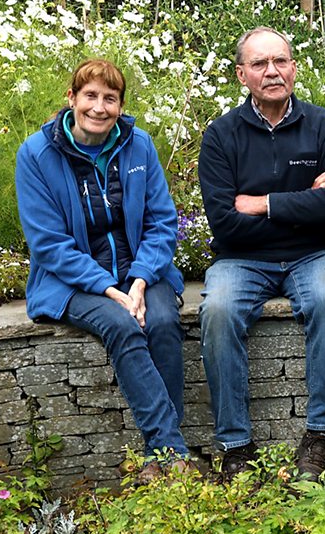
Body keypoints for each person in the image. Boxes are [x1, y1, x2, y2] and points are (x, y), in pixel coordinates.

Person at [15, 58, 193, 484]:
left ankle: (160, 459)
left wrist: (140, 280)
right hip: (72, 282)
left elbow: (162, 222)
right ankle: (172, 452)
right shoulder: (36, 155)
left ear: (120, 106)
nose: (99, 107)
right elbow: (48, 244)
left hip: (140, 272)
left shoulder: (139, 145)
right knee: (123, 325)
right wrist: (110, 290)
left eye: (110, 99)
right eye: (90, 96)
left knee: (163, 321)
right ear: (71, 98)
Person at [197, 27, 325, 481]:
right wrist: (304, 201)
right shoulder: (221, 136)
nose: (272, 71)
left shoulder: (324, 125)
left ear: (294, 68)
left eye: (280, 61)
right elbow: (225, 222)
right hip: (241, 258)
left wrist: (262, 203)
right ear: (241, 74)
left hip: (316, 254)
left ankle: (321, 434)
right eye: (260, 64)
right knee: (218, 309)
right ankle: (236, 446)